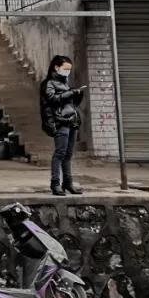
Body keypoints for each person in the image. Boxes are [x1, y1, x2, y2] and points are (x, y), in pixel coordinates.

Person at [41, 55, 87, 196]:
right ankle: (55, 184)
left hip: (72, 121)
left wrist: (77, 94)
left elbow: (71, 103)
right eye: (65, 69)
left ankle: (68, 183)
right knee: (60, 153)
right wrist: (70, 93)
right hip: (60, 122)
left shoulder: (65, 82)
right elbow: (52, 100)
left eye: (69, 69)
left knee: (68, 154)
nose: (68, 71)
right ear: (56, 67)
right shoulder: (48, 83)